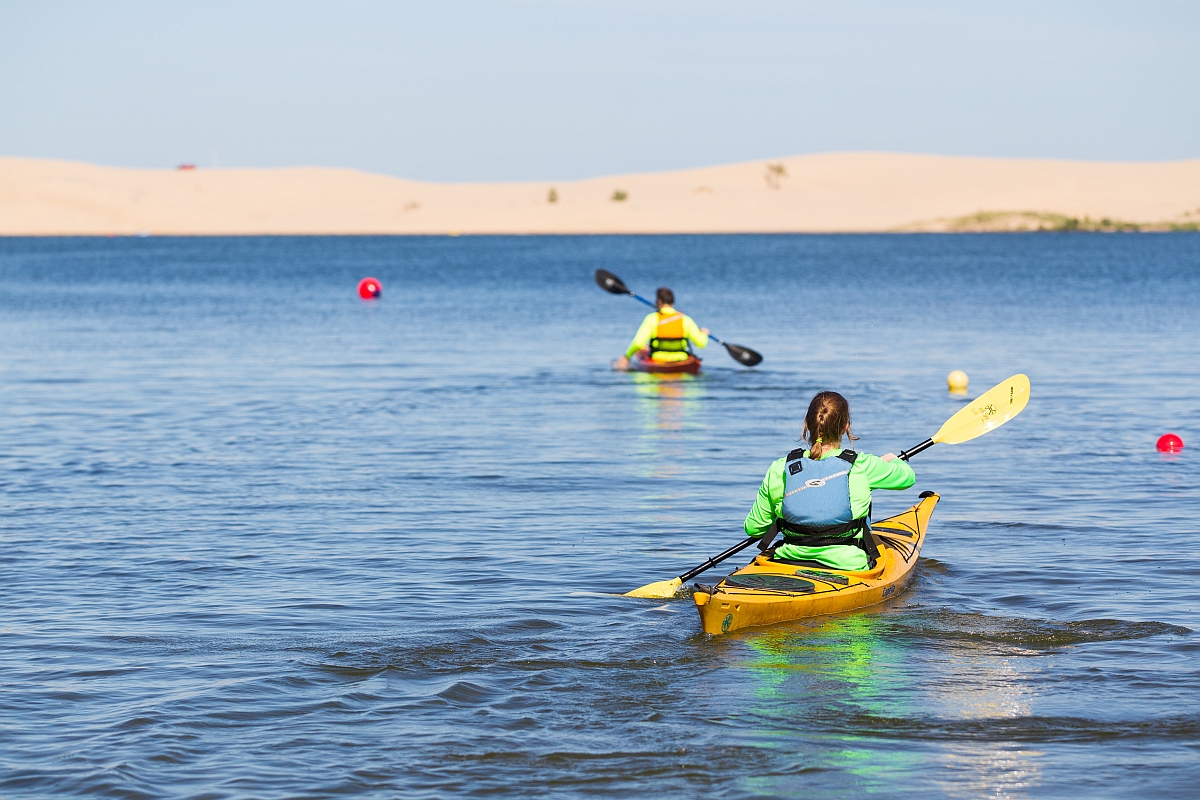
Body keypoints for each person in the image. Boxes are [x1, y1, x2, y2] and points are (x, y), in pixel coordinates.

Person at [743, 391, 915, 570]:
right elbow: (908, 478)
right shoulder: (863, 465)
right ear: (845, 427)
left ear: (807, 425)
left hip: (787, 560)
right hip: (849, 565)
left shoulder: (780, 468)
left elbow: (754, 529)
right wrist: (892, 459)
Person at [614, 287, 709, 369]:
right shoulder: (685, 319)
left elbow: (638, 343)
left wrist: (626, 357)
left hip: (658, 360)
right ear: (672, 302)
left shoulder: (652, 319)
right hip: (681, 359)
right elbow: (701, 343)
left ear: (659, 302)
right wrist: (704, 334)